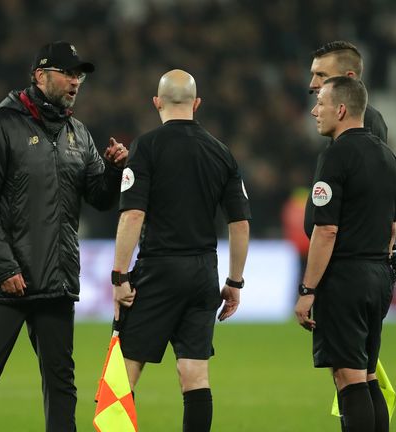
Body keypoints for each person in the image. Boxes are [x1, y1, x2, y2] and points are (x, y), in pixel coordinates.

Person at [0, 41, 128, 432]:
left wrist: (114, 171)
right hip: (6, 285)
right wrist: (4, 268)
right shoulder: (0, 125)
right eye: (68, 73)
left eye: (79, 74)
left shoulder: (78, 134)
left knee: (62, 385)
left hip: (55, 281)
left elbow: (99, 198)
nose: (76, 81)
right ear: (40, 76)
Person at [111, 69, 250, 432]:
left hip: (159, 269)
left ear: (156, 102)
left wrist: (120, 275)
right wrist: (234, 281)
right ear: (196, 103)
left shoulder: (146, 146)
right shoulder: (221, 152)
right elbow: (240, 223)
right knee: (194, 373)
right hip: (204, 271)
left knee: (127, 368)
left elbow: (133, 214)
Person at [294, 76, 396, 432]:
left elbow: (325, 229)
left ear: (341, 109)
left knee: (348, 379)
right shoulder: (388, 156)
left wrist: (308, 290)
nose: (314, 110)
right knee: (368, 377)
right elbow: (392, 230)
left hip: (346, 280)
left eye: (320, 103)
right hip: (379, 277)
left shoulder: (335, 156)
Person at [309, 41, 388, 143]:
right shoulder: (334, 118)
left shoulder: (367, 122)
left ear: (349, 78)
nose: (312, 84)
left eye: (322, 75)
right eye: (313, 75)